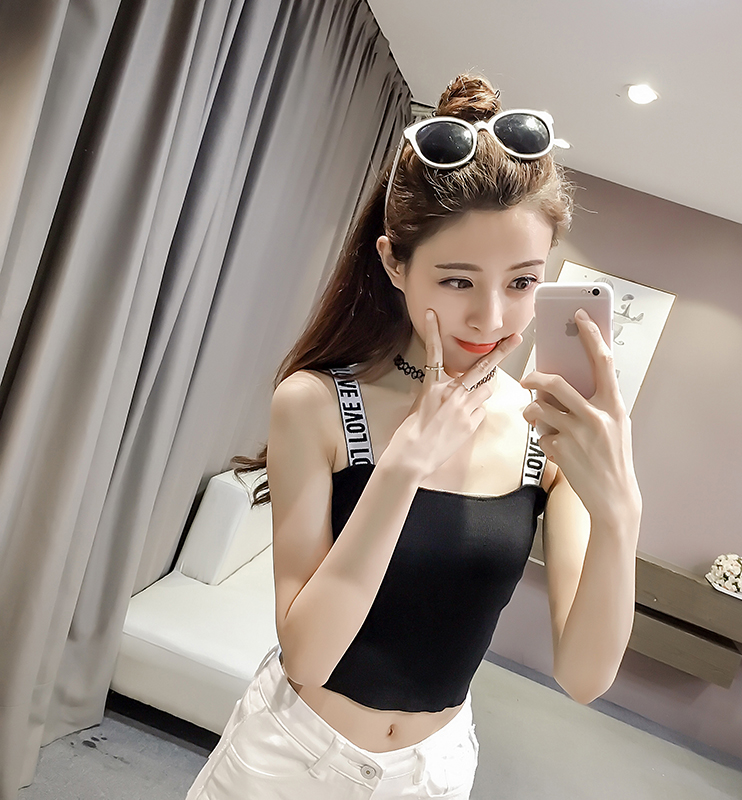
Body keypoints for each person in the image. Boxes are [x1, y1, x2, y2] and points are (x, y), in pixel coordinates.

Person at [185, 74, 642, 800]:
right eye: (458, 281)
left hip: (431, 776)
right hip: (289, 760)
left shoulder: (544, 435)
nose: (491, 317)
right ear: (395, 263)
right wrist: (402, 467)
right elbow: (308, 656)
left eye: (522, 282)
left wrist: (620, 510)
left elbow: (584, 678)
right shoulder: (317, 404)